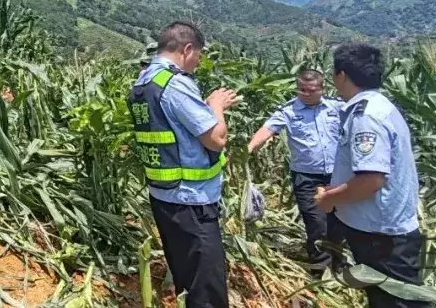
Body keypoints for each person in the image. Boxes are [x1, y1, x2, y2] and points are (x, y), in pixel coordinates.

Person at [127, 21, 239, 307]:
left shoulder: (143, 82)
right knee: (206, 289)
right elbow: (216, 139)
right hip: (192, 201)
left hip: (164, 197)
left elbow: (174, 128)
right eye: (198, 57)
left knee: (186, 280)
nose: (198, 64)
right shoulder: (175, 84)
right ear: (188, 49)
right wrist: (215, 105)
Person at [316, 43, 428, 308]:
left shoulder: (366, 117)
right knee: (386, 298)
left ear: (341, 75)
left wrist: (329, 198)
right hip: (381, 229)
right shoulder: (378, 105)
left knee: (399, 301)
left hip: (382, 234)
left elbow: (371, 180)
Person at [247, 69, 344, 278]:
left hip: (337, 177)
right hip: (307, 178)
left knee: (339, 222)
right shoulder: (288, 111)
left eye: (311, 90)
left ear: (322, 89)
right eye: (302, 90)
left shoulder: (337, 107)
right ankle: (321, 273)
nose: (306, 94)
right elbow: (267, 129)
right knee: (317, 223)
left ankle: (340, 264)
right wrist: (248, 148)